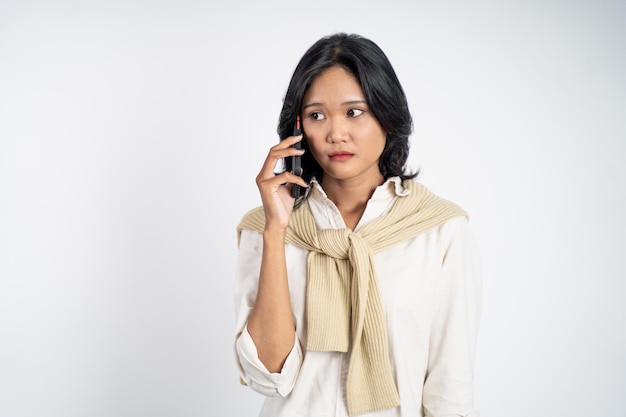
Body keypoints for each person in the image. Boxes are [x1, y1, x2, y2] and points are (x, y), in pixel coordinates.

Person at [233, 32, 482, 417]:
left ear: (387, 114)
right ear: (298, 130)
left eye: (354, 112)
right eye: (317, 115)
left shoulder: (440, 230)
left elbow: (451, 389)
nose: (336, 133)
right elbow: (268, 377)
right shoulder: (263, 229)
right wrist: (276, 231)